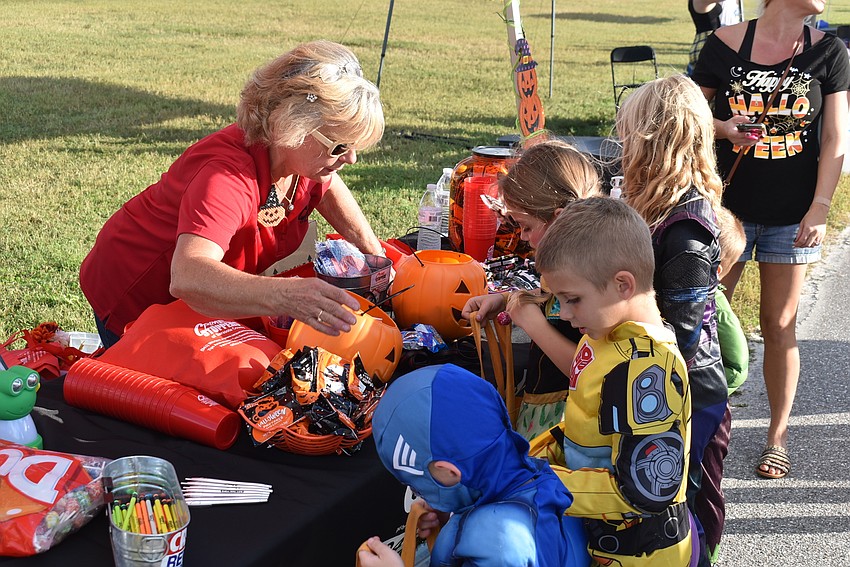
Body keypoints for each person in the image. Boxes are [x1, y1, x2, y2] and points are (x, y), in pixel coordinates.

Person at [79, 40, 385, 348]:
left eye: (354, 146)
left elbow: (329, 185)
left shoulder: (306, 161)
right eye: (340, 146)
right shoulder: (225, 176)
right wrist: (286, 296)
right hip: (137, 296)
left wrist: (374, 253)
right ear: (292, 125)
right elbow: (188, 276)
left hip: (198, 301)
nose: (350, 159)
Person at [691, 0, 850, 480]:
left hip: (793, 216)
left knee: (780, 325)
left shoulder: (831, 52)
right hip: (726, 211)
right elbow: (688, 115)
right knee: (705, 319)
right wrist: (722, 127)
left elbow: (835, 139)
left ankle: (776, 438)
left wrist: (820, 207)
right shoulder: (723, 44)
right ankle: (698, 427)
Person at [527, 197, 696, 566]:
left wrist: (537, 484)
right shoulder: (602, 334)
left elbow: (646, 489)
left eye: (572, 299)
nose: (565, 314)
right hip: (597, 539)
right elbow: (585, 424)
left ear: (623, 284)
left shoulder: (648, 370)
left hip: (640, 554)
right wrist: (531, 458)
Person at [616, 74, 726, 567]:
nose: (620, 143)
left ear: (650, 142)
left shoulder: (687, 230)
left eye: (627, 134)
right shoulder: (657, 207)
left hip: (689, 395)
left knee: (685, 512)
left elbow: (679, 336)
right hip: (656, 387)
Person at [357, 363, 589, 567]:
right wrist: (448, 517)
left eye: (416, 485)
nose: (419, 493)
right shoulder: (534, 477)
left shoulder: (499, 542)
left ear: (450, 472)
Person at [460, 139, 601, 440]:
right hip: (546, 399)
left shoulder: (592, 279)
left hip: (571, 419)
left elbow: (591, 373)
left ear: (559, 218)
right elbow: (551, 305)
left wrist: (533, 324)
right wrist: (507, 299)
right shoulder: (566, 262)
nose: (524, 238)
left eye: (525, 226)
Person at [695, 206, 749, 565]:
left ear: (716, 270)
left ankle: (707, 554)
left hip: (710, 410)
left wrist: (717, 388)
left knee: (707, 489)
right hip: (690, 404)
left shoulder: (717, 305)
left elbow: (739, 365)